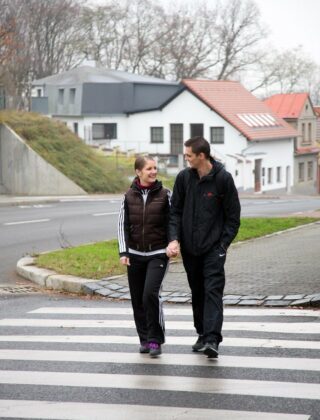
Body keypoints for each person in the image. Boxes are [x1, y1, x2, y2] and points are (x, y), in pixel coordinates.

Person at [167, 136, 241, 358]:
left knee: (212, 291)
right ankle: (201, 334)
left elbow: (233, 218)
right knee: (197, 291)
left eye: (189, 155)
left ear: (202, 156)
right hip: (190, 250)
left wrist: (222, 246)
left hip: (213, 250)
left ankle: (212, 339)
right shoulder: (183, 178)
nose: (186, 158)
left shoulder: (223, 180)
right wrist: (174, 238)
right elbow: (175, 212)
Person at [117, 155, 174, 357]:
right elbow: (122, 226)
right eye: (149, 168)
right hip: (134, 255)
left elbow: (172, 221)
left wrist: (173, 243)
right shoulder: (128, 196)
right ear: (138, 172)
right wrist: (124, 252)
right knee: (137, 299)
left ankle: (155, 340)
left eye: (155, 168)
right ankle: (144, 339)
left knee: (150, 294)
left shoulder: (165, 194)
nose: (153, 172)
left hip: (158, 253)